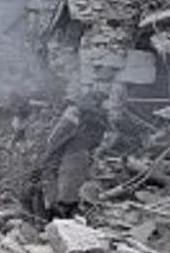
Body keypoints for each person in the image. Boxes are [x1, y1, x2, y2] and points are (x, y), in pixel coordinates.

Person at [24, 91, 108, 219]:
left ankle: (55, 218)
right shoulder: (93, 118)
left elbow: (55, 140)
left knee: (62, 196)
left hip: (72, 157)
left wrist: (45, 157)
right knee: (64, 194)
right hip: (77, 156)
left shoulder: (75, 115)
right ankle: (56, 217)